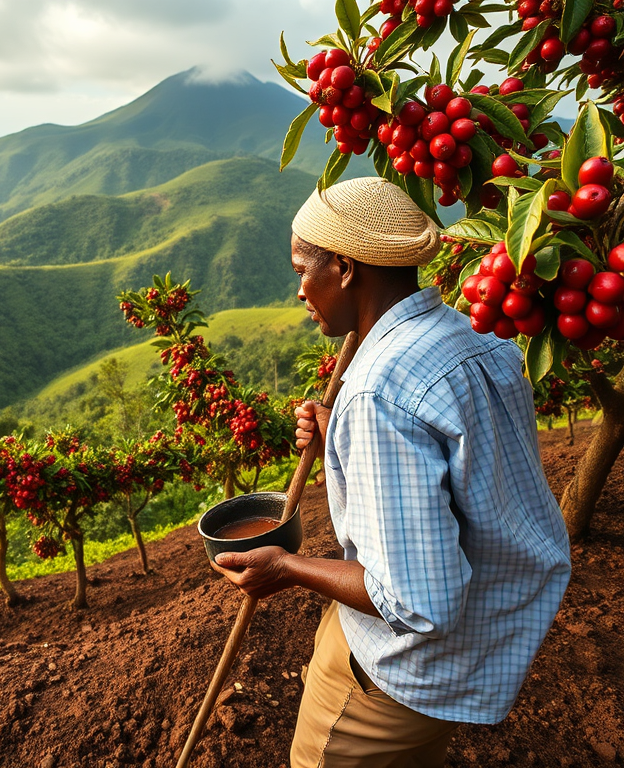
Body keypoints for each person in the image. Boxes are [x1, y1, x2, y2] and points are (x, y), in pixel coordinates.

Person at [211, 176, 572, 768]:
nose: (300, 288)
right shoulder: (477, 338)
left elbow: (416, 602)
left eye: (304, 268)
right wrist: (345, 438)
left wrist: (287, 566)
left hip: (398, 678)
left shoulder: (378, 393)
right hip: (479, 642)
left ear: (348, 269)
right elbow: (466, 472)